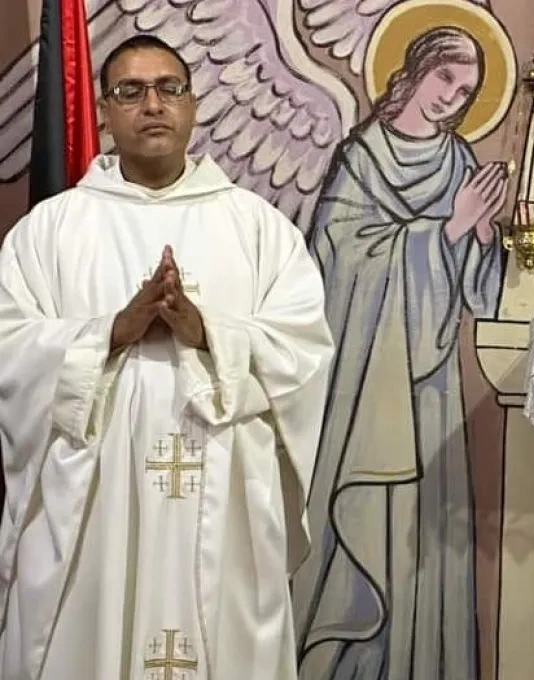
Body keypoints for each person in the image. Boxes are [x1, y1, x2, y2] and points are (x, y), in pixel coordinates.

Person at [0, 35, 333, 680]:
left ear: (192, 104)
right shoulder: (50, 230)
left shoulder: (259, 229)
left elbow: (304, 353)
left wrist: (208, 331)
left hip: (225, 502)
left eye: (168, 88)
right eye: (131, 91)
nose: (153, 104)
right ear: (102, 110)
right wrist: (110, 333)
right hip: (94, 510)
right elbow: (9, 346)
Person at [292, 25, 509, 679]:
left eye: (467, 90)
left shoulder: (460, 163)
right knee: (362, 527)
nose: (453, 98)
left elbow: (481, 288)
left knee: (419, 540)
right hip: (363, 385)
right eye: (445, 78)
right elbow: (333, 264)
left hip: (429, 390)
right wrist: (445, 229)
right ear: (414, 71)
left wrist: (478, 236)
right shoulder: (363, 157)